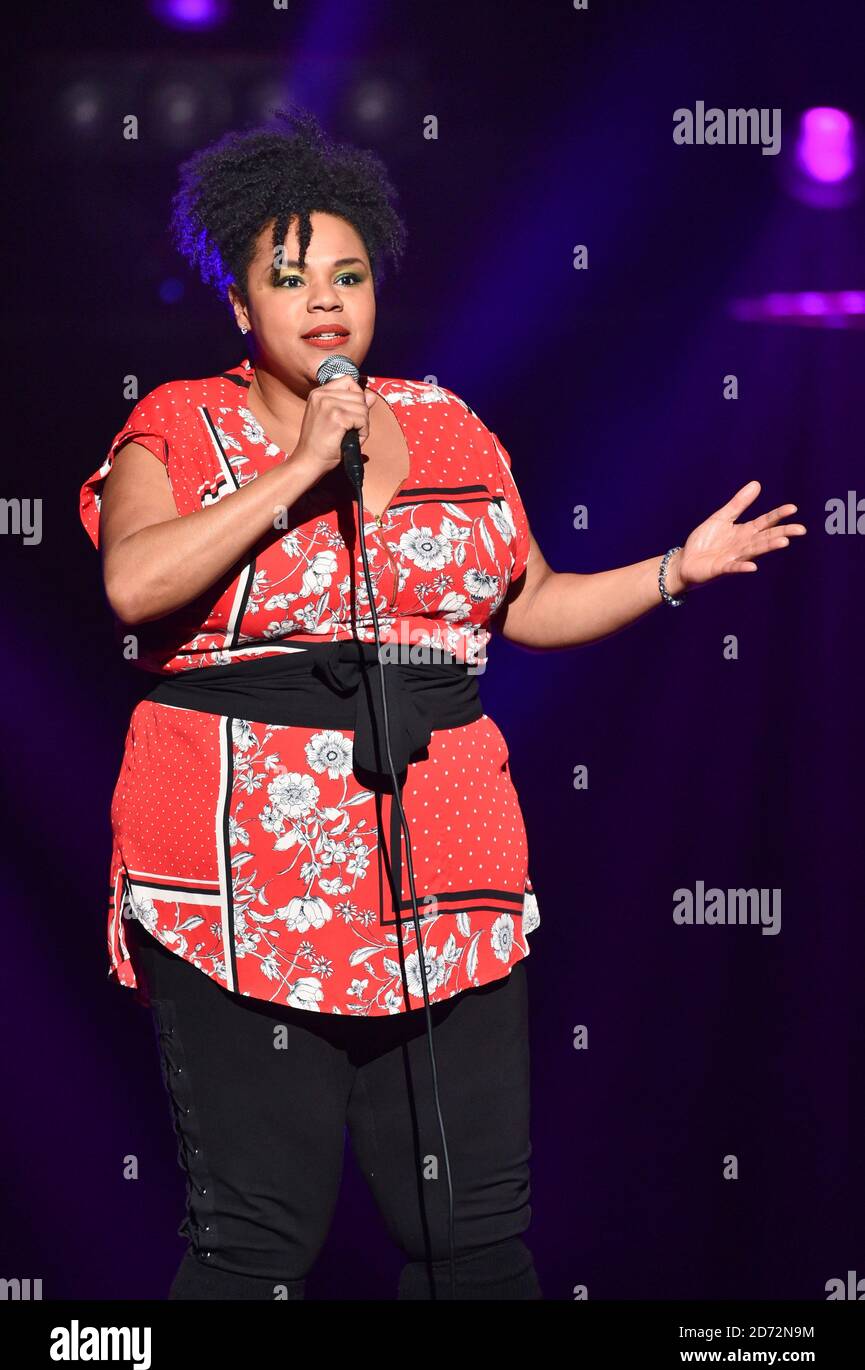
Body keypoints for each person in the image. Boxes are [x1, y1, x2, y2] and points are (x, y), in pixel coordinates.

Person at [79, 108, 806, 1301]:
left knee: (474, 1236)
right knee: (256, 1241)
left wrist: (674, 567)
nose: (325, 300)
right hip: (241, 877)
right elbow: (134, 582)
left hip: (444, 858)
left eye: (348, 274)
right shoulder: (180, 423)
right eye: (290, 277)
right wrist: (304, 465)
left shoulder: (449, 423)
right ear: (239, 308)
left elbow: (531, 600)